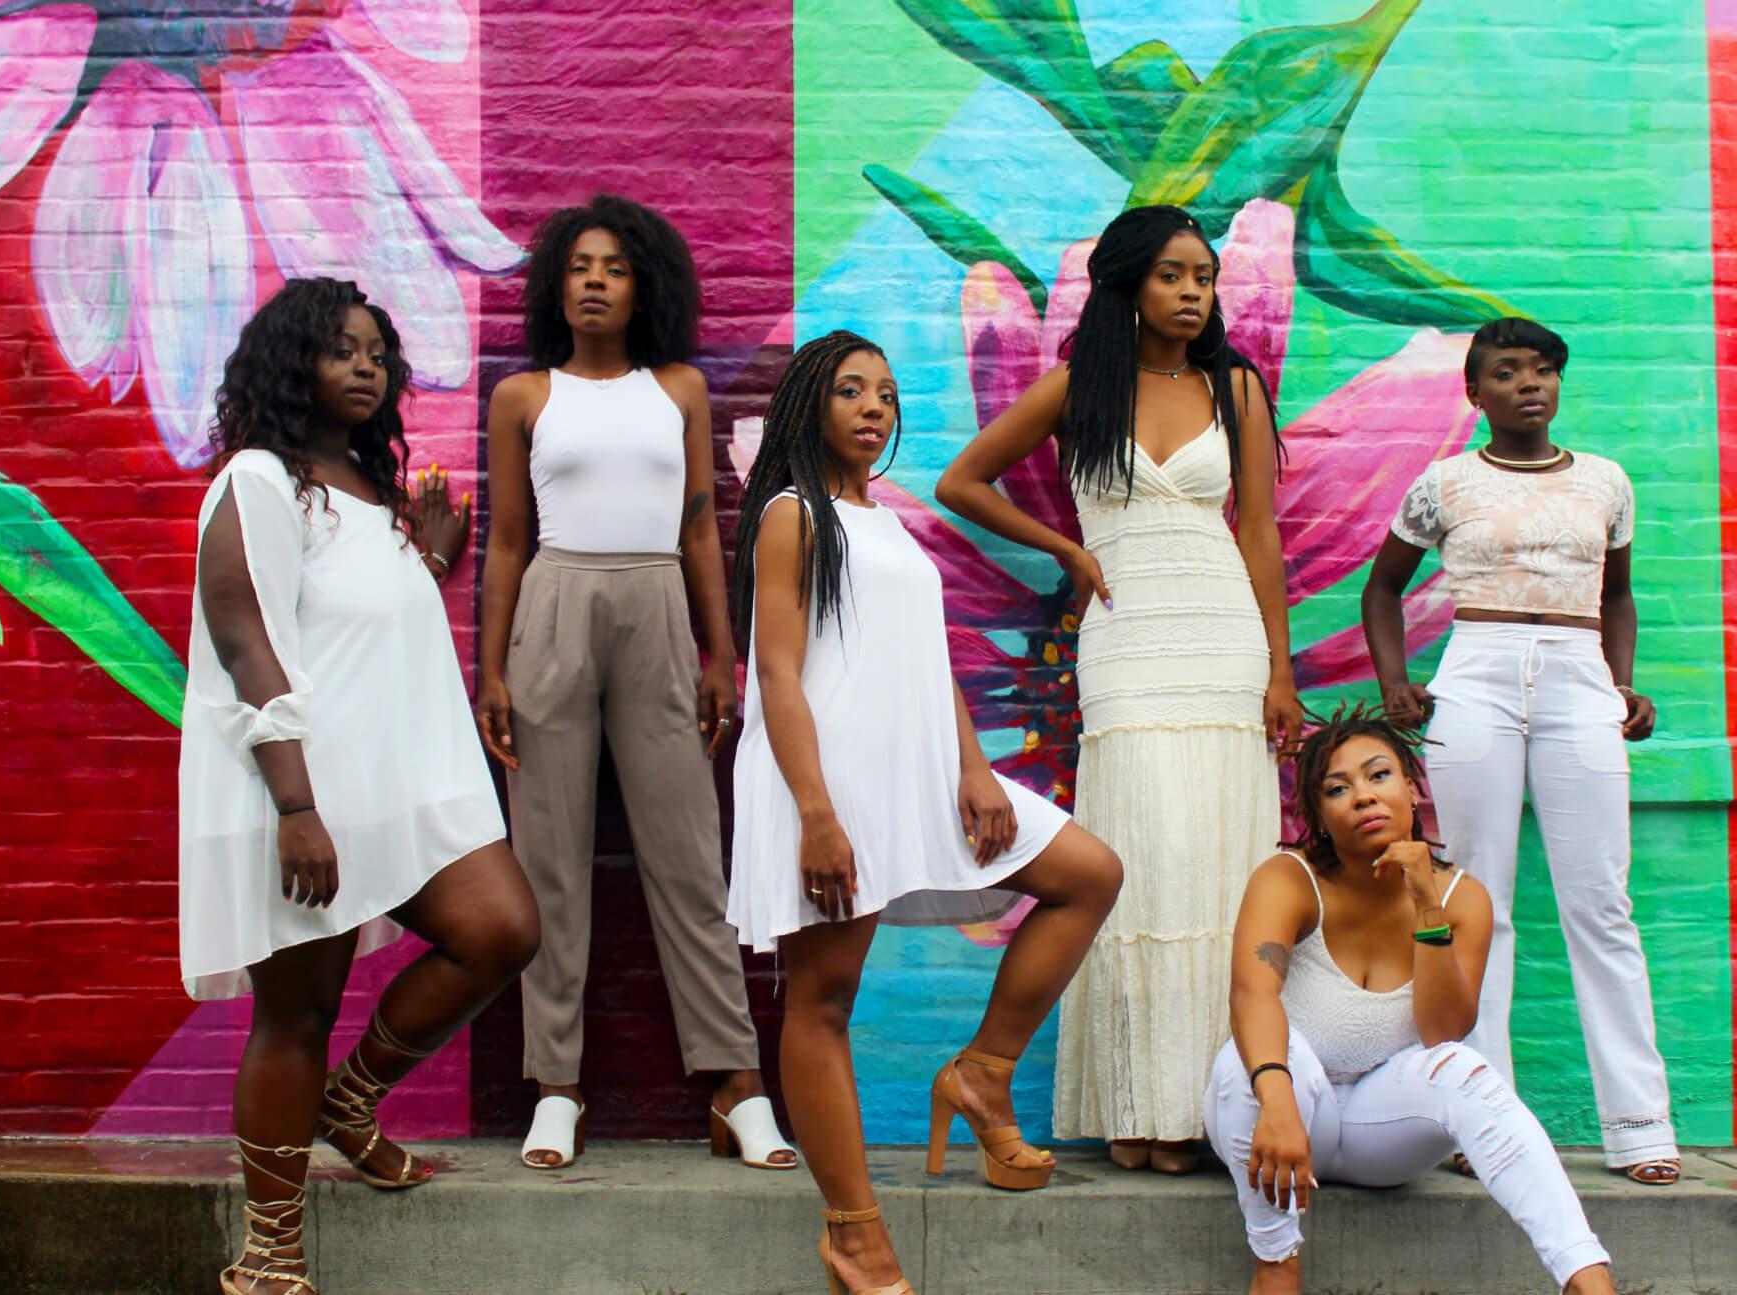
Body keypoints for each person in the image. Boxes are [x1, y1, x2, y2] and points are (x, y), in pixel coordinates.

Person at [727, 330, 1122, 1295]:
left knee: (1087, 875)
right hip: (828, 779)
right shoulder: (792, 513)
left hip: (921, 769)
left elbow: (924, 657)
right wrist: (817, 812)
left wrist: (975, 767)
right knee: (822, 1002)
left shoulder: (885, 520)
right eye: (851, 390)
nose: (875, 407)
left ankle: (982, 1072)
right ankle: (855, 1235)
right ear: (807, 405)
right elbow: (776, 671)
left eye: (888, 394)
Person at [180, 278, 541, 1295]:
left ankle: (352, 1100)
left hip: (394, 786)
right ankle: (270, 1248)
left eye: (377, 350)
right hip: (300, 795)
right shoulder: (257, 479)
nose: (367, 365)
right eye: (341, 348)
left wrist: (423, 557)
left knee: (502, 928)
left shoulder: (362, 489)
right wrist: (295, 806)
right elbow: (247, 636)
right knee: (295, 1014)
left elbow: (354, 622)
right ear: (292, 362)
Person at [937, 204, 1299, 1171]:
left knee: (1219, 867)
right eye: (1175, 274)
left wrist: (1280, 674)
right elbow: (962, 481)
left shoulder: (1235, 387)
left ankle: (1198, 1109)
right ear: (1130, 284)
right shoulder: (1077, 385)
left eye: (1207, 277)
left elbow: (1259, 534)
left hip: (1221, 638)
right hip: (1127, 638)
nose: (1193, 293)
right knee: (1140, 857)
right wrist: (1064, 545)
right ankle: (1134, 1105)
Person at [476, 195, 790, 1172]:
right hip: (554, 604)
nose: (595, 280)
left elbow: (702, 525)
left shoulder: (680, 388)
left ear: (640, 282)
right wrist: (487, 669)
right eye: (578, 266)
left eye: (612, 266)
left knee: (689, 856)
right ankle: (556, 1084)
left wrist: (719, 651)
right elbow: (507, 542)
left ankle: (734, 1080)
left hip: (658, 603)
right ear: (555, 288)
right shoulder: (524, 396)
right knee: (549, 863)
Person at [1360, 316, 1679, 1184]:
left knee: (1601, 901)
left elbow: (1618, 598)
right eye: (1507, 373)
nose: (1530, 385)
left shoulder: (1606, 482)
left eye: (1543, 370)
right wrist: (1397, 681)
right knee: (1477, 899)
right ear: (1476, 393)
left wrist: (1621, 685)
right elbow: (1382, 587)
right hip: (1477, 671)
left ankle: (1641, 1125)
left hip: (1579, 675)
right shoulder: (1445, 482)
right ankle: (1479, 1118)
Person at [1207, 705, 1618, 1295]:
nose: (1364, 797)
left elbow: (1441, 1029)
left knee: (1469, 1069)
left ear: (1410, 785)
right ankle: (1277, 1262)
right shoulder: (1288, 878)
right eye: (1337, 788)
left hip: (1384, 1129)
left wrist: (1427, 904)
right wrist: (1276, 1100)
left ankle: (1586, 1277)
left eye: (1379, 776)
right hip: (1288, 1113)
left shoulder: (1460, 896)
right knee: (1246, 1068)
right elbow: (1252, 993)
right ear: (1319, 816)